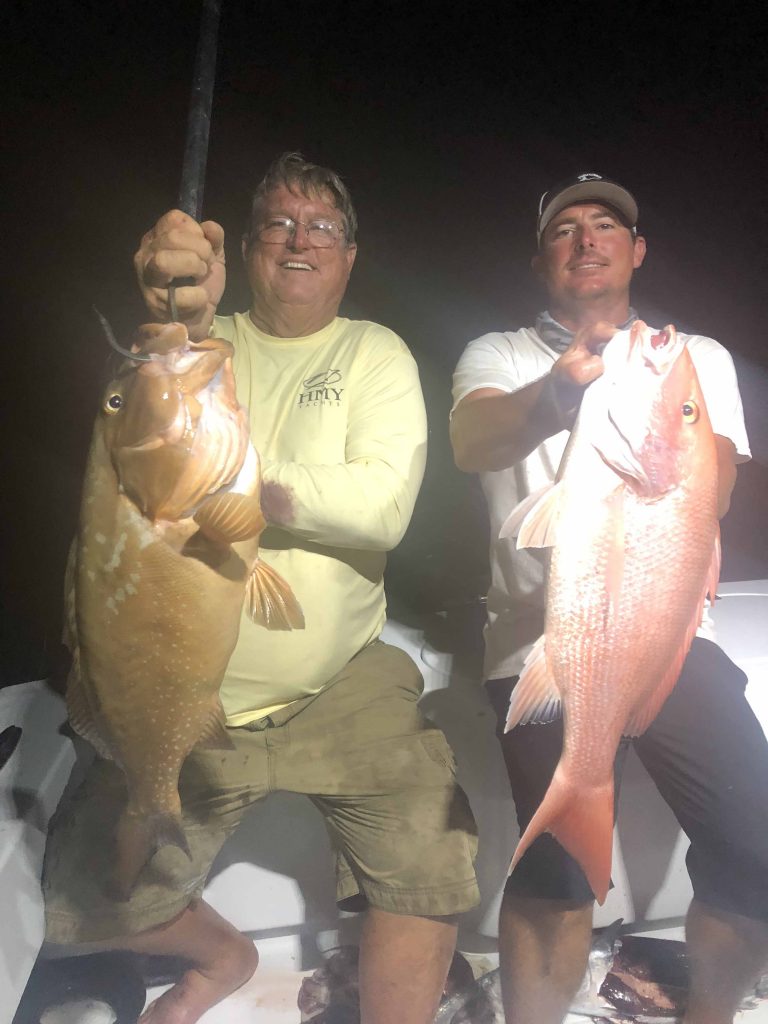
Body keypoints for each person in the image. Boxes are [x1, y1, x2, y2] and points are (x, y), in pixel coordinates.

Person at [43, 152, 480, 1024]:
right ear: (244, 250)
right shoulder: (209, 348)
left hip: (344, 680)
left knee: (433, 868)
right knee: (81, 905)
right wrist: (172, 302)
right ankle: (224, 955)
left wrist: (235, 489)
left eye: (323, 226)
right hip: (187, 695)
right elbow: (156, 372)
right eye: (278, 223)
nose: (299, 239)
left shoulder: (372, 352)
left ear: (350, 257)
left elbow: (383, 508)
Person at [450, 173, 768, 1024]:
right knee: (555, 877)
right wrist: (557, 395)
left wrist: (654, 426)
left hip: (667, 637)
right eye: (565, 228)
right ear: (541, 256)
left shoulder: (690, 356)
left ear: (637, 252)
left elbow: (712, 497)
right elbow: (474, 439)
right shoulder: (499, 354)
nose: (586, 239)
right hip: (538, 643)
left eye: (606, 226)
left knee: (758, 844)